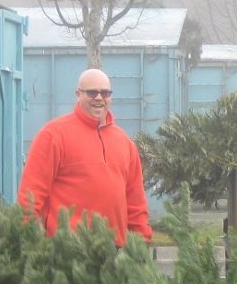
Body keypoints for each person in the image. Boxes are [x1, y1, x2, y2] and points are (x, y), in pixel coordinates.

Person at [17, 68, 153, 245]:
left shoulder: (125, 143)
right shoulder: (53, 135)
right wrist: (23, 242)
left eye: (105, 93)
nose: (98, 98)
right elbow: (31, 195)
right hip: (65, 252)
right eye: (91, 92)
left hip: (114, 253)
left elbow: (135, 202)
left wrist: (142, 243)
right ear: (78, 94)